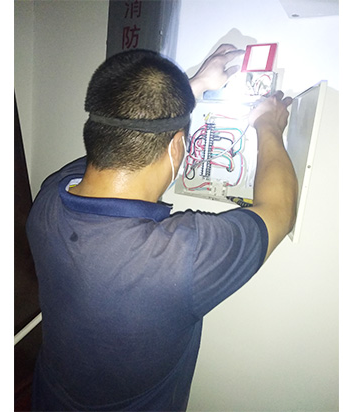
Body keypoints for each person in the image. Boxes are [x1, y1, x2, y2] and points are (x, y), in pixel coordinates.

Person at [26, 44, 298, 411]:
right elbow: (280, 211)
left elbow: (126, 132)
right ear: (177, 147)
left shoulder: (48, 200)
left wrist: (194, 86)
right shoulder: (178, 260)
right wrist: (270, 126)